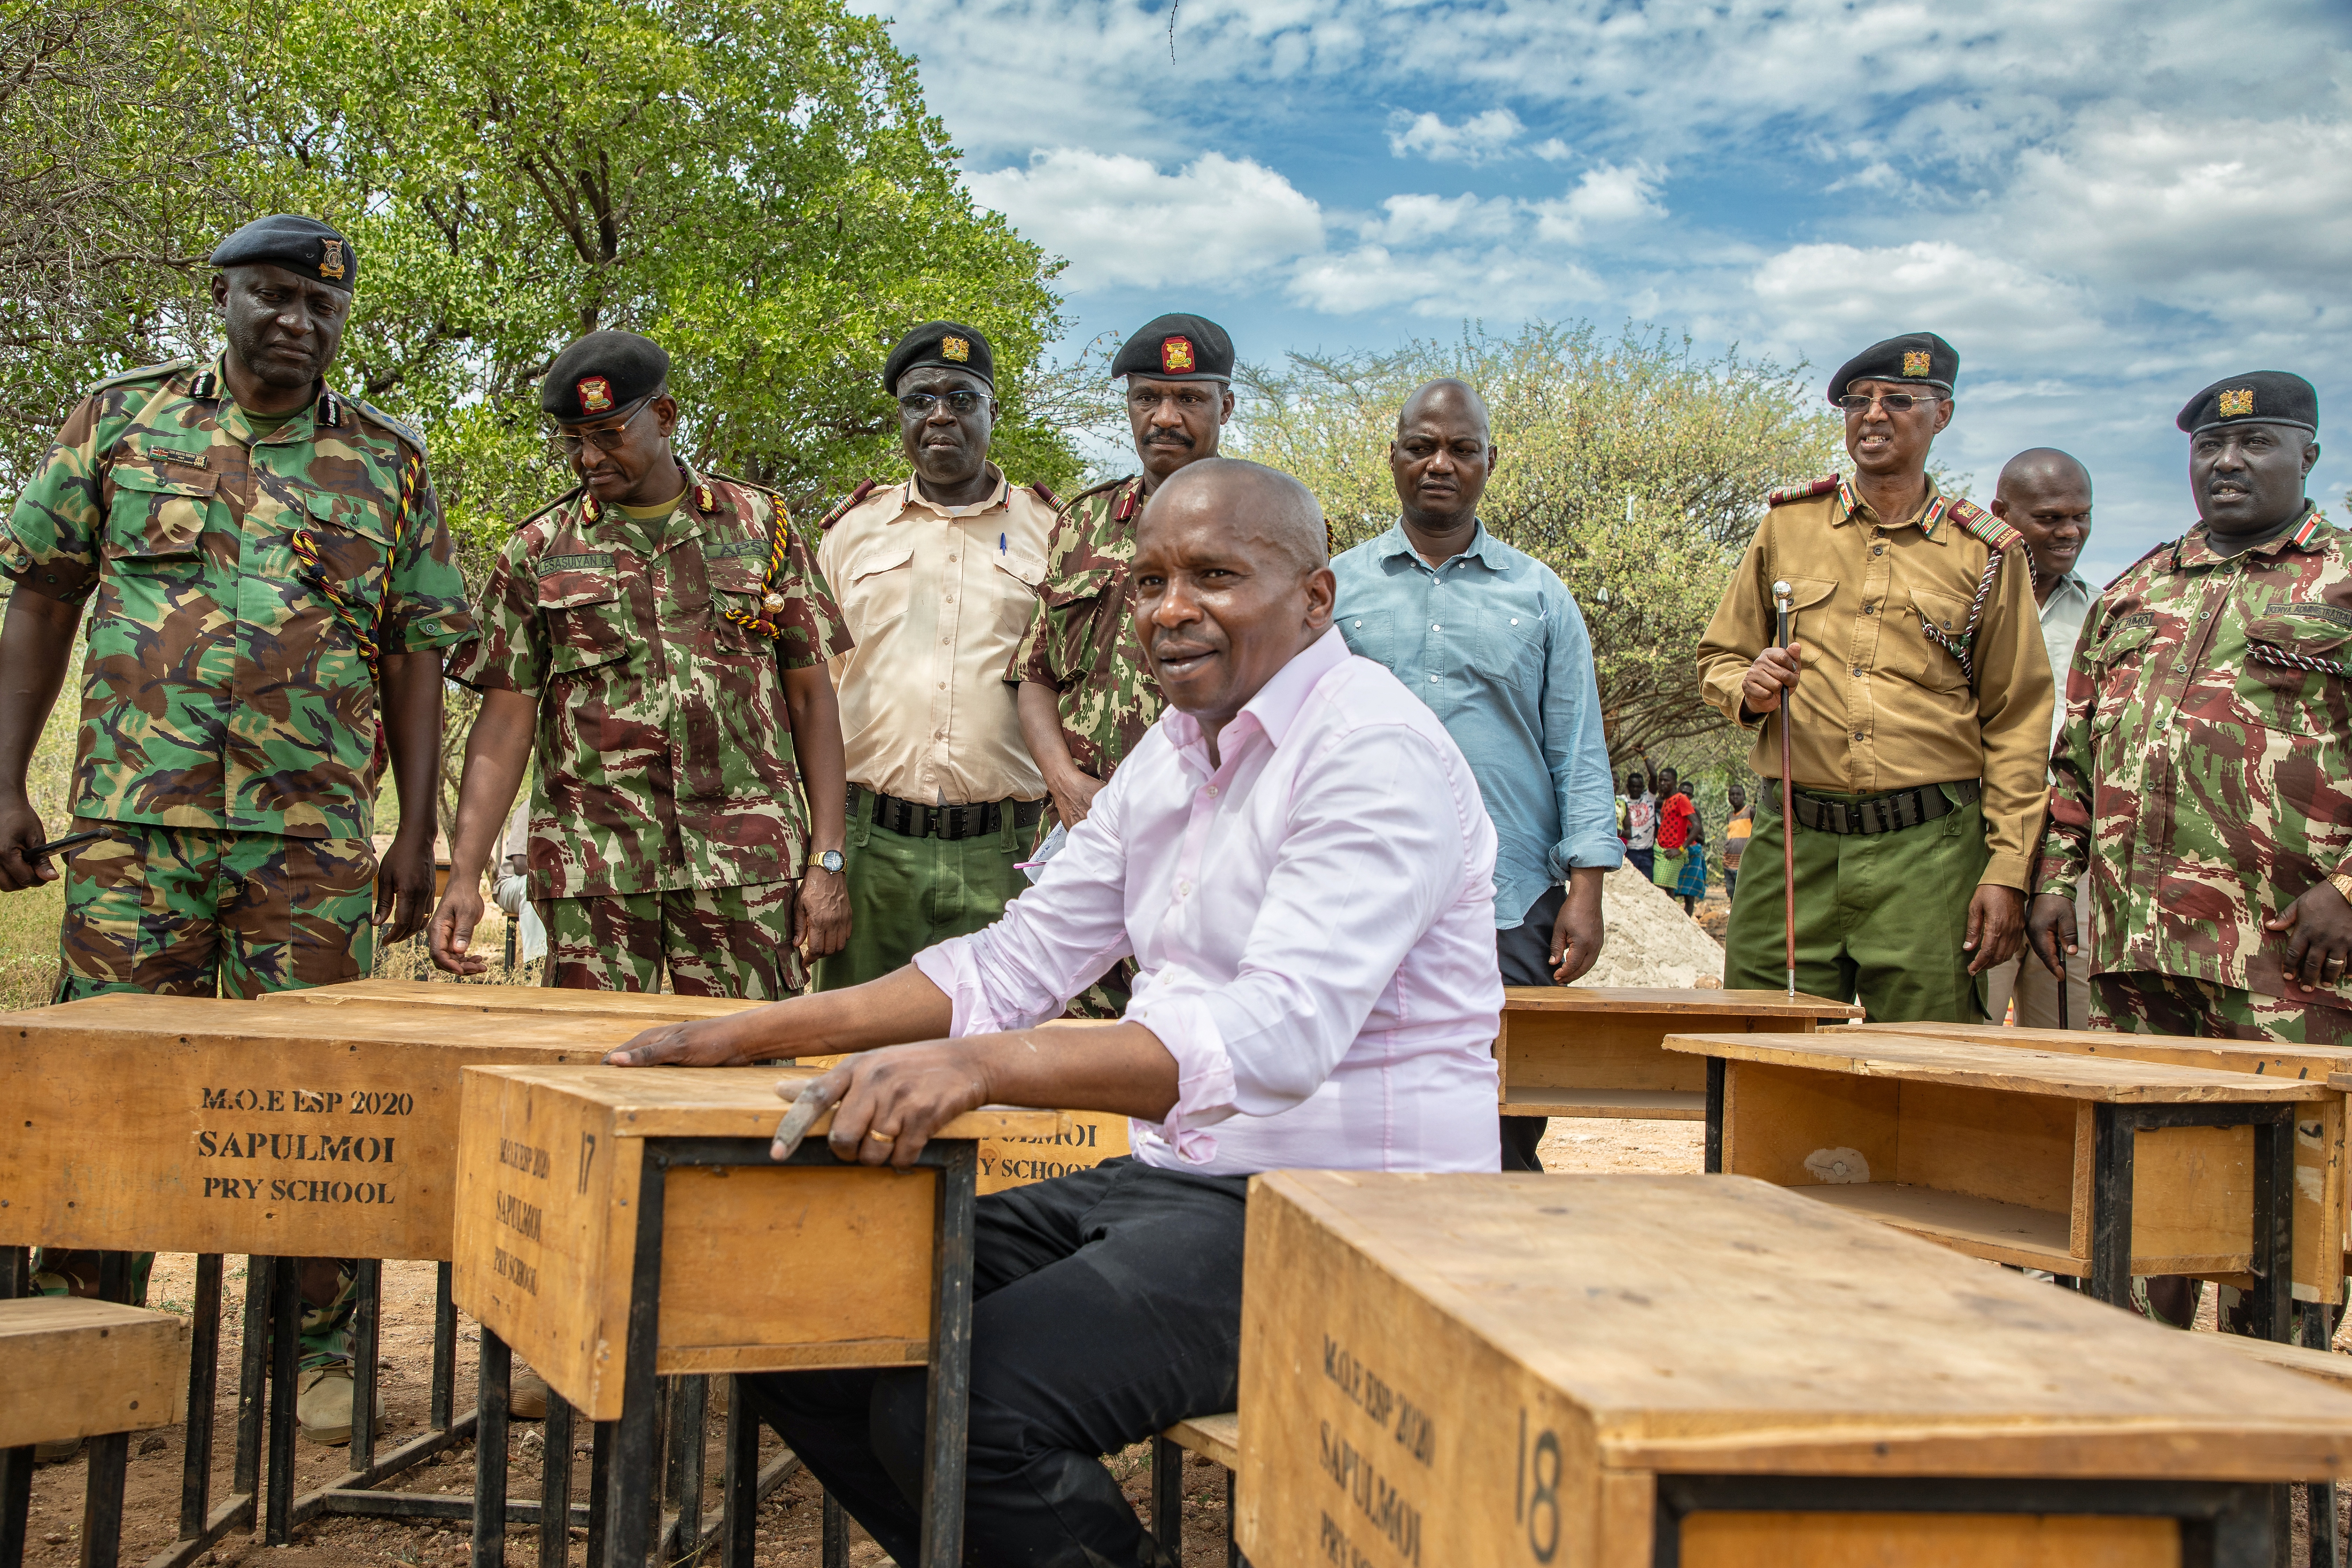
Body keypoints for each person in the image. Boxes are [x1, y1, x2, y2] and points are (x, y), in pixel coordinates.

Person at [604, 458, 1504, 1566]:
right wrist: (753, 1028)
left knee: (969, 1407)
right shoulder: (1172, 753)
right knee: (797, 1323)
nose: (1170, 610)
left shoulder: (1372, 753)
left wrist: (978, 1069)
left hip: (1348, 1212)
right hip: (1177, 1179)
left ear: (1313, 598)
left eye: (1214, 575)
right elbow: (1013, 960)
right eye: (1148, 581)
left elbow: (1271, 1038)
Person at [0, 214, 474, 1444]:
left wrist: (415, 832)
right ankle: (78, 1336)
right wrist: (4, 783)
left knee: (326, 1101)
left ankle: (318, 1354)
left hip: (309, 843)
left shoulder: (389, 462)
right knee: (106, 1090)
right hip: (132, 831)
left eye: (321, 305)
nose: (296, 322)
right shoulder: (118, 421)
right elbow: (44, 598)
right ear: (219, 296)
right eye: (270, 296)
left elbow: (418, 653)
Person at [2032, 372, 2348, 1335]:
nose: (2228, 463)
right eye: (2210, 448)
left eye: (2256, 445)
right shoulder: (2134, 591)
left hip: (2287, 960)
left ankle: (2270, 1434)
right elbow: (2077, 756)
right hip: (2140, 961)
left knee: (2288, 1209)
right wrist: (2056, 881)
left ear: (2308, 457)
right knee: (2148, 1193)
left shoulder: (2340, 583)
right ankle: (2143, 1406)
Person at [428, 330, 852, 998]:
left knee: (743, 1072)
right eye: (573, 442)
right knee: (589, 1069)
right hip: (594, 869)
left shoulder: (762, 526)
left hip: (745, 867)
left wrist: (828, 860)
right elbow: (505, 723)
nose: (589, 458)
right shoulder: (540, 549)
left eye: (607, 434)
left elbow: (811, 698)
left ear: (664, 416)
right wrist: (464, 874)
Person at [1696, 331, 2051, 1021]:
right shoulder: (1786, 528)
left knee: (1926, 1066)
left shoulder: (1986, 552)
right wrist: (1751, 687)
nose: (1875, 415)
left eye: (1899, 400)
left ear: (1941, 414)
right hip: (1792, 842)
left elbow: (2018, 719)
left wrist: (2008, 870)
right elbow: (1721, 656)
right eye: (1860, 401)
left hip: (1929, 851)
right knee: (1762, 1051)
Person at [1331, 377, 1617, 1173]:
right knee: (1358, 1099)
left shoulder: (1541, 594)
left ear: (1491, 461)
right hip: (1360, 888)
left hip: (1511, 901)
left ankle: (1501, 1278)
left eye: (1461, 449)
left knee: (1503, 1112)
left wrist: (1587, 889)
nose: (1440, 464)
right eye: (1421, 447)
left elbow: (1577, 747)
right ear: (1393, 458)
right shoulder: (1333, 590)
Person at [814, 321, 1056, 989]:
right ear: (902, 416)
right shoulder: (850, 534)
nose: (940, 414)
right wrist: (824, 856)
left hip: (1006, 851)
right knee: (850, 1052)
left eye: (961, 398)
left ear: (993, 411)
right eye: (920, 400)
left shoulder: (1056, 534)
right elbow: (813, 695)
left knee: (1002, 1059)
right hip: (870, 850)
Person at [1010, 313, 1233, 1015]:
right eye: (1148, 399)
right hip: (1088, 841)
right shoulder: (1082, 522)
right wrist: (1064, 781)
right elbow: (1036, 674)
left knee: (1198, 1051)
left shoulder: (1269, 524)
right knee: (1071, 1058)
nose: (1165, 417)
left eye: (1189, 399)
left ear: (1225, 406)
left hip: (1216, 848)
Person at [1980, 448, 2096, 1028]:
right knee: (1963, 1027)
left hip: (2072, 856)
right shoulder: (1963, 603)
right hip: (1982, 845)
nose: (2070, 531)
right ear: (2003, 514)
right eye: (2051, 518)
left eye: (2081, 516)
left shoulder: (2105, 612)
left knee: (2068, 1028)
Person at [1653, 767, 1704, 915]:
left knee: (1664, 889)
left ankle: (1674, 920)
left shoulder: (1681, 799)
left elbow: (1697, 826)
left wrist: (1681, 849)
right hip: (1662, 851)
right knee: (1664, 890)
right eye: (1661, 781)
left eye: (1666, 781)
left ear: (1675, 782)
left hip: (1674, 851)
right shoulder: (1666, 801)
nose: (1663, 783)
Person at [1622, 768, 1658, 880]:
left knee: (1647, 883)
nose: (1635, 789)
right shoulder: (1622, 801)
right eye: (1633, 786)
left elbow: (1654, 776)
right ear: (1628, 787)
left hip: (1647, 851)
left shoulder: (1649, 798)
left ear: (1643, 787)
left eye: (1638, 787)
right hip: (1629, 851)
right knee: (1631, 882)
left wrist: (1644, 754)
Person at [1722, 784, 1752, 900]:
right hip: (1729, 863)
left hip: (1745, 864)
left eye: (1738, 794)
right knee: (1733, 897)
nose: (1735, 797)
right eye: (1732, 795)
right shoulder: (1730, 816)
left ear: (1744, 797)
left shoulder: (1751, 812)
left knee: (1745, 896)